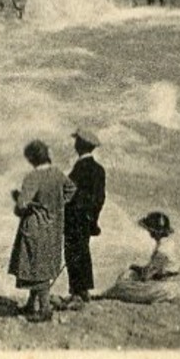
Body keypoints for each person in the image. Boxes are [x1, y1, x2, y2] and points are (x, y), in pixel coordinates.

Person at [8, 138, 76, 322]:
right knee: (43, 265)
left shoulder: (32, 177)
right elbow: (71, 188)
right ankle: (32, 303)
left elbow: (21, 206)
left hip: (36, 226)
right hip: (53, 226)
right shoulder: (57, 173)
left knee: (34, 266)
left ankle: (45, 309)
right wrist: (57, 204)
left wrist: (18, 199)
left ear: (31, 159)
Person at [63, 128, 107, 306]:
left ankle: (77, 292)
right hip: (88, 219)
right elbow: (100, 198)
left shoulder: (79, 168)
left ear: (80, 145)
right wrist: (93, 218)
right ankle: (84, 291)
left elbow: (68, 195)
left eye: (77, 141)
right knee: (83, 252)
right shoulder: (98, 169)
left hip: (74, 219)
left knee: (73, 253)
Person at [101, 211, 180, 304]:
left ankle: (108, 294)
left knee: (123, 286)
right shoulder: (169, 243)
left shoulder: (162, 250)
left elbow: (146, 275)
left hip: (165, 288)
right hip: (170, 284)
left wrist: (136, 269)